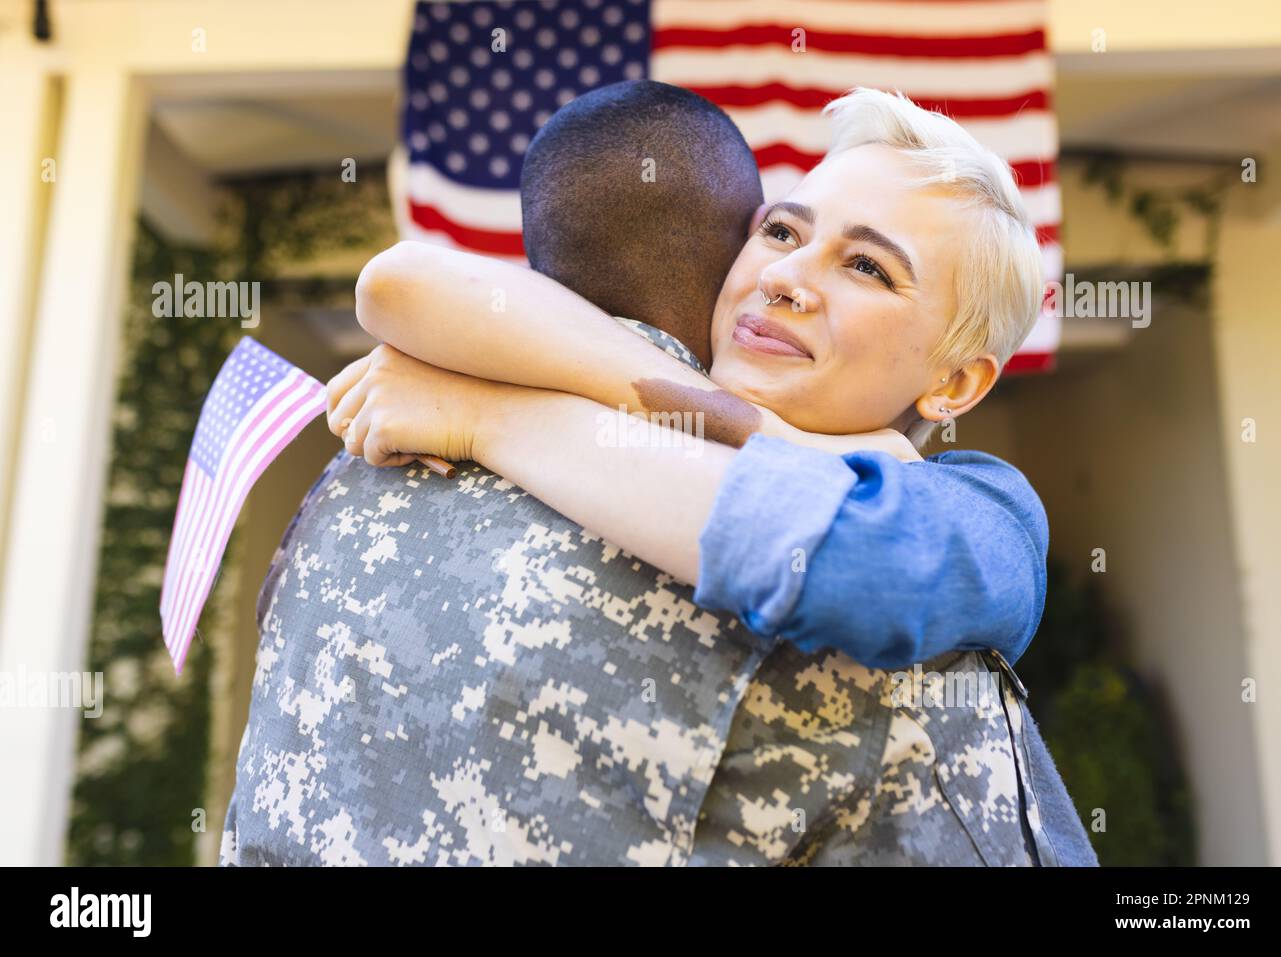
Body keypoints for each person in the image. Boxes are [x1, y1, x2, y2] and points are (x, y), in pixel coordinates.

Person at [222, 81, 1090, 865]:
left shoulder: (977, 502)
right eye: (781, 231)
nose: (788, 276)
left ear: (956, 382)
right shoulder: (510, 411)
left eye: (867, 266)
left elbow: (853, 561)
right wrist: (774, 433)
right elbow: (403, 280)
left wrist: (495, 417)